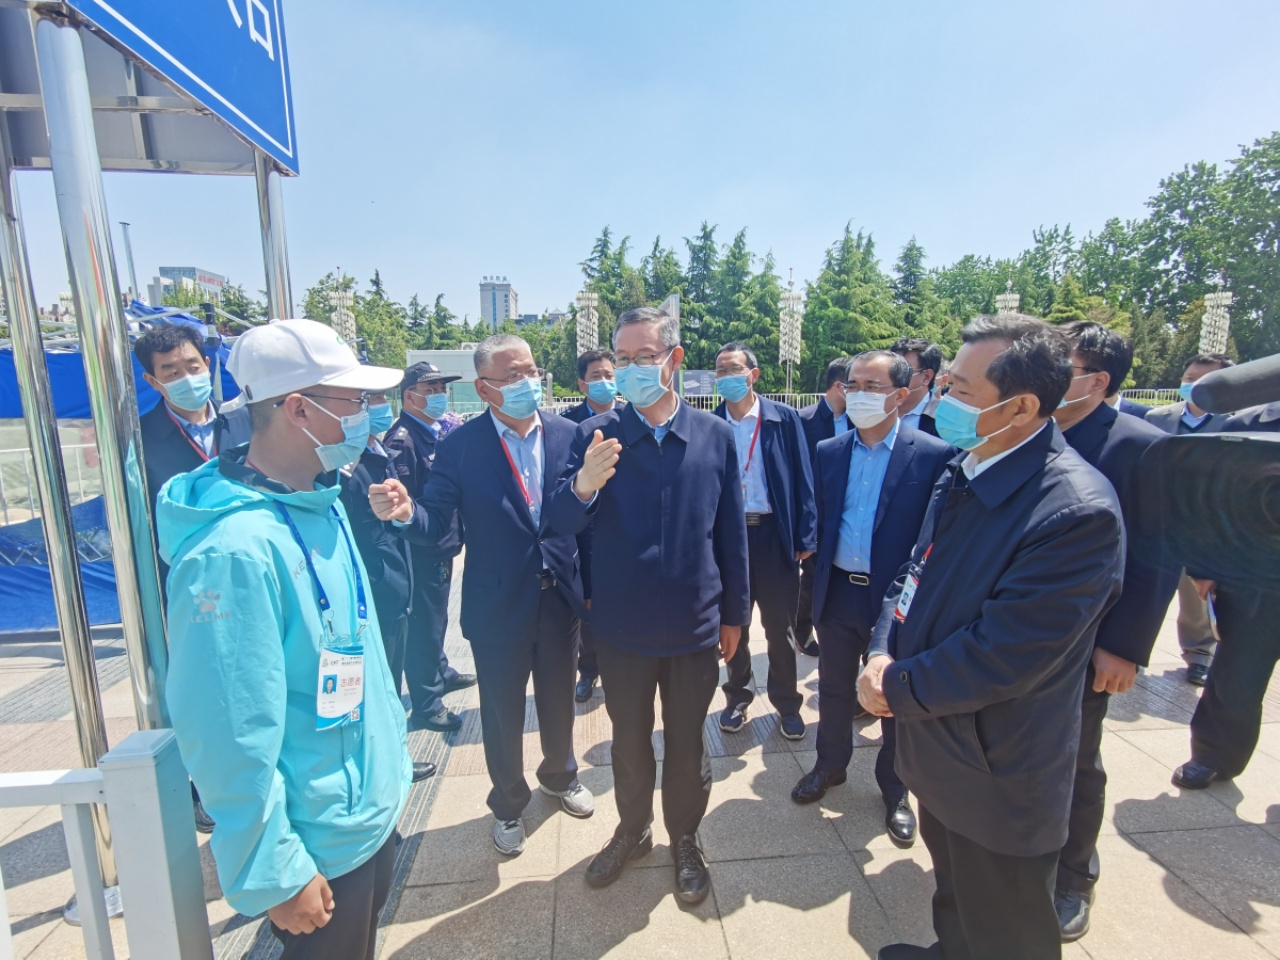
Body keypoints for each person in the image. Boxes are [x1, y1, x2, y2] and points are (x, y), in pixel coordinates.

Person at [860, 315, 1124, 960]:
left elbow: (1005, 653)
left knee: (1004, 921)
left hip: (998, 761)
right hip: (943, 739)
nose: (941, 399)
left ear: (1022, 406)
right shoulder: (968, 466)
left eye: (959, 390)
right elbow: (914, 572)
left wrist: (895, 686)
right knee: (955, 889)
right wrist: (880, 649)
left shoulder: (1075, 511)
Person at [158, 319, 411, 960]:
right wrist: (274, 867)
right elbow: (227, 728)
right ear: (299, 409)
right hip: (314, 842)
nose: (368, 414)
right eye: (355, 400)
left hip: (360, 812)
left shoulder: (321, 500)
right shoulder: (232, 553)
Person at [546, 306, 749, 905]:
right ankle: (632, 830)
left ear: (674, 360)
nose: (631, 369)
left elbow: (731, 534)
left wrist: (735, 613)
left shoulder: (713, 435)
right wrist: (583, 484)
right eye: (623, 358)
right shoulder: (594, 435)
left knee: (687, 743)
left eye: (645, 357)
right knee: (629, 741)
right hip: (622, 626)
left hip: (694, 623)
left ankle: (685, 837)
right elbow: (559, 523)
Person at [370, 335, 593, 858]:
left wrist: (593, 588)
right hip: (497, 603)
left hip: (559, 596)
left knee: (558, 700)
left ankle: (560, 776)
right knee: (501, 711)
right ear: (484, 387)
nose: (527, 382)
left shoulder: (569, 434)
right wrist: (405, 513)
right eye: (512, 376)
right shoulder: (460, 446)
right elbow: (435, 521)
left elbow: (584, 519)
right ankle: (508, 803)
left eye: (531, 371)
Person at [1050, 322, 1180, 942]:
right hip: (1021, 632)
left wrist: (1124, 647)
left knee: (1076, 759)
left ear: (1097, 381)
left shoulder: (1141, 446)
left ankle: (1074, 877)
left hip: (1089, 639)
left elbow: (1158, 553)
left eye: (1062, 367)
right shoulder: (1032, 431)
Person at [792, 350, 952, 852]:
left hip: (897, 599)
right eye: (852, 384)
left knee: (894, 695)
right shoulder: (830, 450)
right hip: (839, 590)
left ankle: (896, 787)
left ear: (901, 395)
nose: (857, 394)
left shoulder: (932, 454)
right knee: (835, 687)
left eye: (872, 386)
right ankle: (829, 765)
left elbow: (932, 539)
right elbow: (820, 518)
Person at [136, 322, 235, 835]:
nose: (186, 377)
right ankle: (204, 788)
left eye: (192, 366)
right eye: (171, 372)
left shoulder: (243, 426)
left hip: (248, 575)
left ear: (208, 364)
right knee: (200, 687)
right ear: (153, 382)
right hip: (185, 586)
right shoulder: (140, 440)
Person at [1171, 399, 1280, 792]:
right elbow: (1207, 495)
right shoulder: (1245, 425)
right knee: (1237, 675)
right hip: (1256, 577)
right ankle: (1214, 755)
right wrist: (1202, 564)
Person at [712, 342, 816, 740]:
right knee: (734, 623)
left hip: (774, 535)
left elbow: (804, 479)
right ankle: (737, 697)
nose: (726, 377)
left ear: (753, 375)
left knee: (780, 628)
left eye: (734, 370)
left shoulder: (782, 419)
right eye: (720, 371)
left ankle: (787, 703)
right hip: (729, 538)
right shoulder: (712, 424)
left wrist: (806, 534)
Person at [338, 390, 440, 785]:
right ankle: (378, 769)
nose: (378, 408)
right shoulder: (344, 467)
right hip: (371, 596)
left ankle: (393, 759)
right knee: (366, 691)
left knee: (388, 683)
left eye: (380, 398)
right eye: (366, 399)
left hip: (394, 589)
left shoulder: (377, 454)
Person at [383, 362, 475, 732]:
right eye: (431, 389)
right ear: (410, 396)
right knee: (425, 624)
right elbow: (409, 505)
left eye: (441, 388)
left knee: (437, 618)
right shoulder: (403, 441)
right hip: (423, 549)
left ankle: (441, 671)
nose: (439, 396)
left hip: (441, 543)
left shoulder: (430, 433)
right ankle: (426, 702)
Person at [1145, 353, 1235, 685]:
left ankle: (1198, 654)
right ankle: (1131, 650)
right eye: (1188, 378)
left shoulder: (1235, 423)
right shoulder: (1157, 417)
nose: (1192, 385)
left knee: (1197, 596)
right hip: (1157, 520)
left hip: (1204, 525)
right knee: (1144, 590)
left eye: (1203, 380)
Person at [562, 348, 620, 700]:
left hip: (623, 528)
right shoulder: (568, 425)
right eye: (596, 376)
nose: (604, 381)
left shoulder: (631, 419)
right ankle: (588, 669)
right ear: (582, 384)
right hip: (582, 528)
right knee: (585, 605)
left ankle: (621, 667)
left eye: (609, 375)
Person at [795, 357, 854, 657]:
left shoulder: (860, 421)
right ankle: (802, 628)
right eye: (855, 386)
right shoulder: (803, 420)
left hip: (849, 512)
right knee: (812, 577)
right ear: (839, 386)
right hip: (814, 514)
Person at [890, 337, 944, 437]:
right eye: (890, 369)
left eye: (902, 370)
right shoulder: (874, 408)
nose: (893, 377)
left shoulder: (945, 420)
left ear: (926, 377)